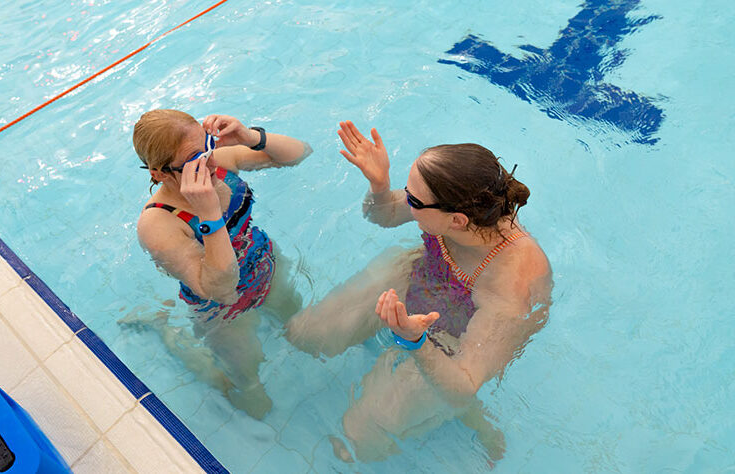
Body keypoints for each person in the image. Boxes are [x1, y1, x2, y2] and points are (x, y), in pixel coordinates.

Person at [286, 121, 552, 462]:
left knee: (359, 434)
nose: (405, 202)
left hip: (458, 333)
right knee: (304, 334)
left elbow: (463, 384)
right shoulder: (453, 209)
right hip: (422, 274)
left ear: (456, 221)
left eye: (413, 199)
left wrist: (414, 341)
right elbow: (381, 215)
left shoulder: (512, 280)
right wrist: (379, 183)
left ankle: (469, 417)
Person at [128, 109, 310, 419]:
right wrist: (210, 214)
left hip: (265, 265)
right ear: (158, 172)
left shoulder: (219, 162)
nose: (210, 162)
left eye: (208, 148)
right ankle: (164, 329)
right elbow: (221, 289)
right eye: (195, 162)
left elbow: (300, 154)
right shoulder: (157, 223)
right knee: (251, 394)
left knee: (303, 332)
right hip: (222, 310)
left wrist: (251, 137)